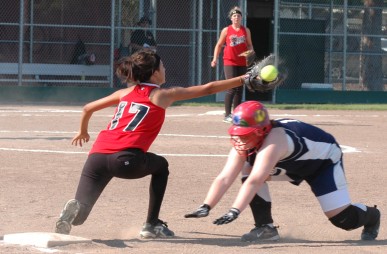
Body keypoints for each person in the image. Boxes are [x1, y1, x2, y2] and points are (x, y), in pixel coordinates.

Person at [54, 49, 251, 239]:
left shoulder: (125, 92)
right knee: (161, 166)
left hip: (96, 158)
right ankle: (151, 224)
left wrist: (83, 131)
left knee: (81, 213)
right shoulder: (160, 95)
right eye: (162, 66)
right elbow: (208, 88)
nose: (165, 69)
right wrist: (243, 79)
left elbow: (87, 108)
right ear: (155, 73)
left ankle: (74, 210)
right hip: (126, 159)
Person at [185, 101, 381, 242]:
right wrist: (207, 206)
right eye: (237, 134)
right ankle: (266, 228)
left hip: (322, 163)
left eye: (246, 135)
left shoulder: (275, 141)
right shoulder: (247, 144)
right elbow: (225, 176)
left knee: (343, 220)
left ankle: (373, 215)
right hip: (291, 164)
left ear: (261, 131)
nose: (240, 140)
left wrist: (234, 211)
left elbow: (255, 181)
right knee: (248, 169)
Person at [211, 6, 254, 123]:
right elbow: (219, 45)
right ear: (231, 18)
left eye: (238, 15)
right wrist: (215, 58)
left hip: (242, 62)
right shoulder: (226, 30)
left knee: (240, 88)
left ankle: (237, 114)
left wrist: (251, 52)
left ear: (241, 18)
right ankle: (227, 115)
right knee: (231, 87)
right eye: (234, 15)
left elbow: (249, 45)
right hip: (229, 61)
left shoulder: (246, 30)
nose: (236, 17)